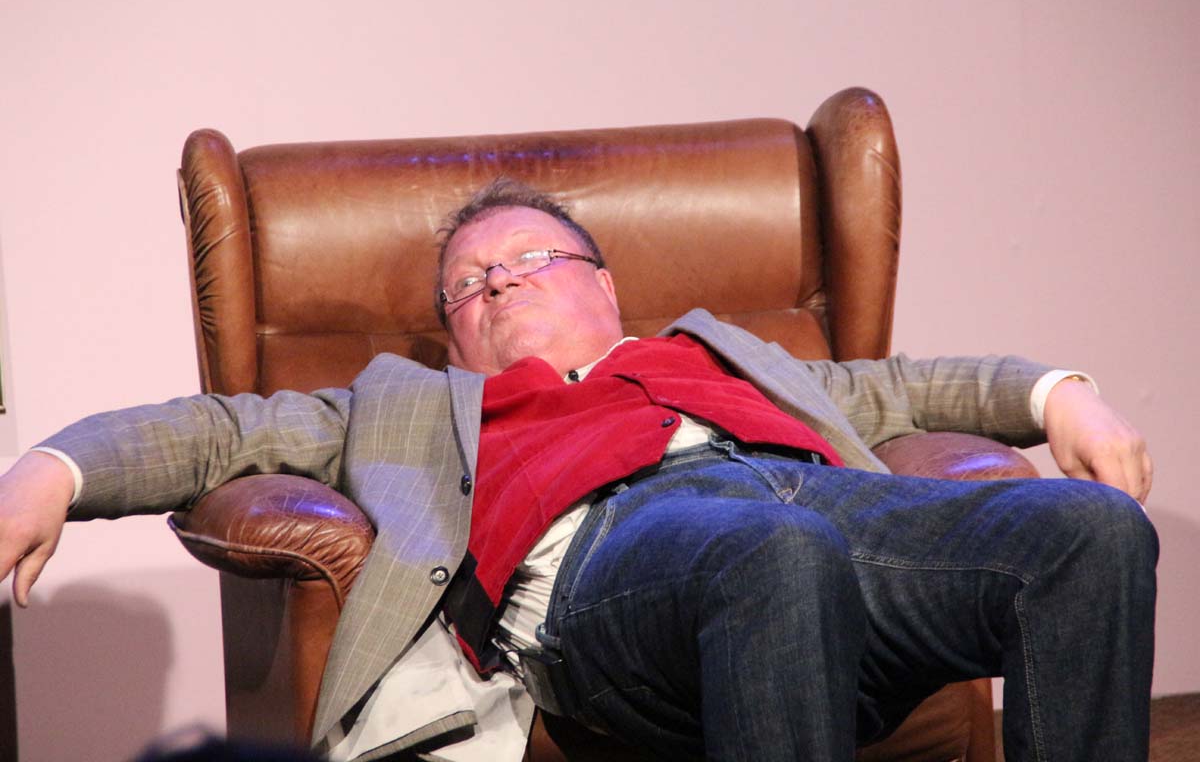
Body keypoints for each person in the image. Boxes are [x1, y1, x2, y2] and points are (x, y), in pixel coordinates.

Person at [0, 179, 1156, 761]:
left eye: (527, 259)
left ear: (606, 286)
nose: (495, 283)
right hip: (613, 579)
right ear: (453, 332)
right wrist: (51, 469)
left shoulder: (729, 357)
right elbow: (211, 430)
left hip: (839, 519)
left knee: (1088, 532)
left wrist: (1064, 393)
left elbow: (920, 383)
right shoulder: (411, 406)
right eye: (466, 284)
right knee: (773, 547)